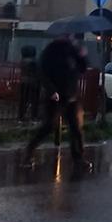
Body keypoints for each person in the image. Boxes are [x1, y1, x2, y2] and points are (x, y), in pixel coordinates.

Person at [21, 35, 90, 171]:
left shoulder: (73, 49)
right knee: (49, 126)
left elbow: (82, 68)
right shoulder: (51, 51)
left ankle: (78, 159)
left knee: (76, 128)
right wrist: (51, 90)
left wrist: (82, 56)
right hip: (56, 95)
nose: (69, 37)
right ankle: (29, 151)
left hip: (71, 95)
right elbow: (42, 72)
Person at [17, 45, 39, 121]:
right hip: (33, 83)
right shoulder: (34, 62)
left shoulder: (22, 61)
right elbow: (37, 72)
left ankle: (21, 116)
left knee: (23, 100)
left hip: (23, 82)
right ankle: (33, 117)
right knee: (34, 101)